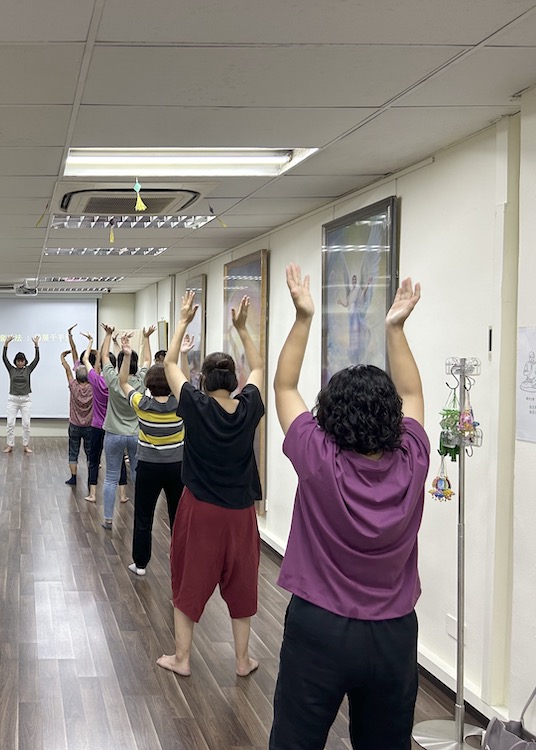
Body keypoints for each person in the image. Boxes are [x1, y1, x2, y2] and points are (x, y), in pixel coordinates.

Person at [268, 266, 427, 749]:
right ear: (393, 417)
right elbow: (413, 393)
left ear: (330, 416)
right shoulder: (413, 460)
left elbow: (284, 387)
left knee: (296, 741)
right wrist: (395, 328)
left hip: (320, 627)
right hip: (394, 633)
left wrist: (303, 317)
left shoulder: (318, 459)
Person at [156, 290, 264, 678]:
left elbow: (170, 364)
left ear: (202, 380)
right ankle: (242, 660)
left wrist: (182, 322)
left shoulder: (195, 406)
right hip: (240, 514)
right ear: (234, 381)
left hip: (199, 509)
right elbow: (259, 367)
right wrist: (243, 329)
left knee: (189, 580)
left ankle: (182, 658)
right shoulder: (249, 407)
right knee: (242, 584)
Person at [116, 334, 184, 576]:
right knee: (179, 517)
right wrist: (183, 356)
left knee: (143, 516)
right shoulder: (181, 403)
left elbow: (123, 381)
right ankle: (180, 564)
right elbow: (185, 383)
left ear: (148, 384)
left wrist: (126, 355)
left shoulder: (141, 403)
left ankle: (141, 564)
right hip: (177, 467)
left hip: (148, 466)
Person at [98, 324, 152, 529]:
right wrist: (146, 337)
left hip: (113, 433)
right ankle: (141, 516)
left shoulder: (113, 380)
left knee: (111, 477)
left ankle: (108, 519)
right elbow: (148, 360)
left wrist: (108, 335)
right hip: (136, 434)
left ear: (119, 363)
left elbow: (104, 357)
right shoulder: (140, 381)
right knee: (138, 477)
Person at [80, 332, 129, 505]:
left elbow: (85, 359)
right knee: (119, 461)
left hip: (96, 427)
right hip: (114, 427)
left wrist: (91, 342)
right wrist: (118, 344)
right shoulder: (119, 383)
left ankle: (93, 494)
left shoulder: (95, 380)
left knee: (93, 460)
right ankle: (122, 495)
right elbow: (123, 363)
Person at [60, 347, 93, 486]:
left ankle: (73, 478)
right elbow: (96, 370)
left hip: (74, 425)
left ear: (77, 377)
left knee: (73, 451)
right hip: (90, 426)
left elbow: (68, 370)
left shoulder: (73, 386)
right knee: (90, 453)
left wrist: (62, 358)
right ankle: (91, 478)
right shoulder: (93, 387)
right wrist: (96, 354)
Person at [2, 335, 40, 453]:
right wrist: (6, 344)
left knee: (26, 424)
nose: (20, 362)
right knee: (10, 423)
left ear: (25, 361)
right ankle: (10, 445)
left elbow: (37, 359)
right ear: (15, 361)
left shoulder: (28, 369)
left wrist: (36, 345)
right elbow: (4, 358)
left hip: (25, 400)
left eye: (22, 360)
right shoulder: (11, 370)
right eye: (18, 360)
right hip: (13, 399)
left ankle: (25, 445)